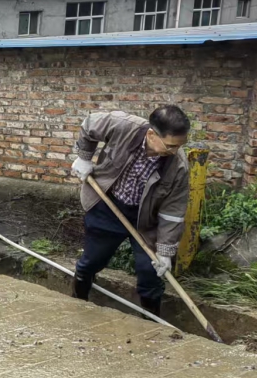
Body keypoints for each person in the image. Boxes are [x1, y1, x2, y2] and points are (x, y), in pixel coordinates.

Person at [69, 106, 190, 319]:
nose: (175, 151)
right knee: (91, 261)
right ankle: (78, 303)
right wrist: (84, 158)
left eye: (180, 145)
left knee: (151, 273)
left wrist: (165, 251)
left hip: (146, 221)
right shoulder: (124, 126)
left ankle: (152, 322)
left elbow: (173, 211)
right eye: (170, 145)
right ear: (151, 135)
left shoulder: (178, 166)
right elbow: (89, 125)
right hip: (108, 207)